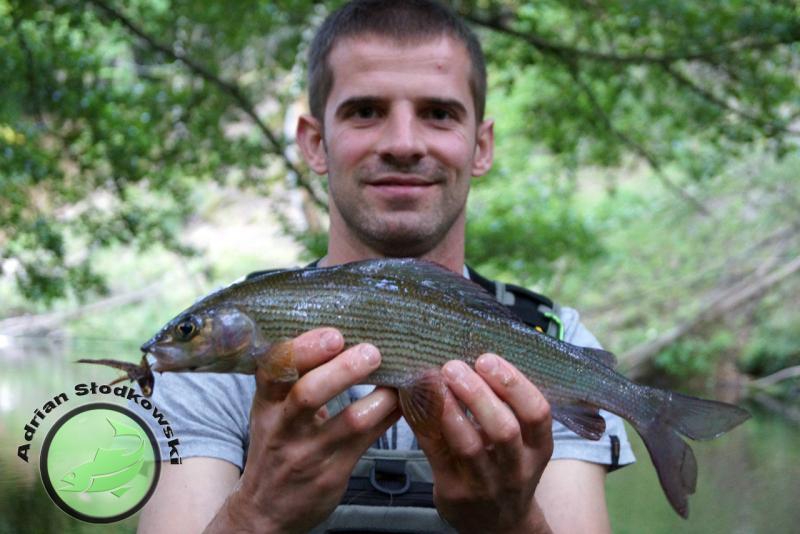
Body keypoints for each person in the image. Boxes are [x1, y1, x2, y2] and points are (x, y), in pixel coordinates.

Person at [135, 1, 633, 532]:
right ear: (315, 143)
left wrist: (513, 524)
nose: (403, 144)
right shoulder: (210, 374)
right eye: (365, 111)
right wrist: (257, 512)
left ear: (481, 147)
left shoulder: (555, 339)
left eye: (438, 113)